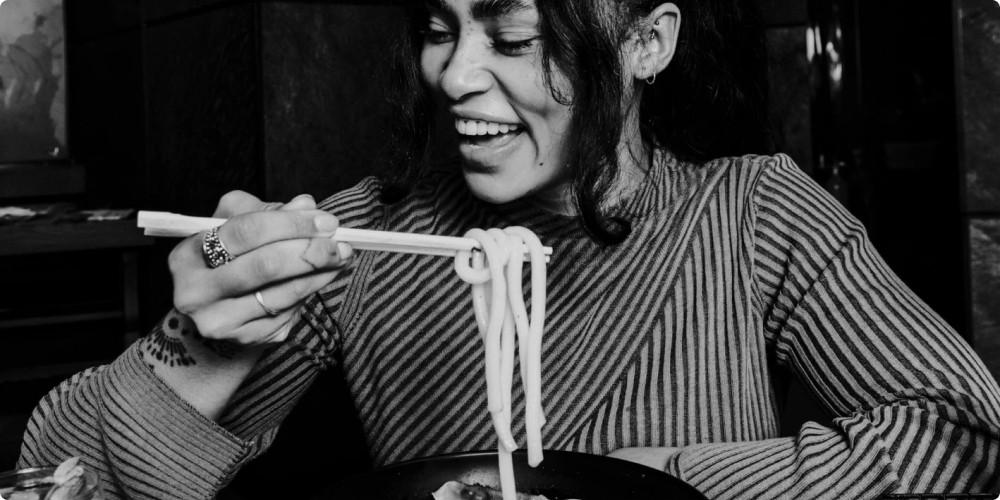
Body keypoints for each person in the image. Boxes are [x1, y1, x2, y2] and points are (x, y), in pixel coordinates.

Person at [18, 0, 1000, 498]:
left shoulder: (754, 213)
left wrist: (651, 480)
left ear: (647, 42)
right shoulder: (369, 235)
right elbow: (53, 470)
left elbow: (958, 428)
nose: (453, 73)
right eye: (442, 29)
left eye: (513, 34)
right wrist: (195, 352)